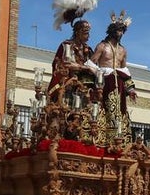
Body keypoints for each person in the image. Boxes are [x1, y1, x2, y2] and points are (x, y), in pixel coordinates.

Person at [92, 13, 138, 147]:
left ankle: (119, 139)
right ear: (112, 31)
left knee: (119, 112)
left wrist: (131, 90)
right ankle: (103, 138)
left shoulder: (123, 50)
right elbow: (91, 63)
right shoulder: (102, 46)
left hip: (120, 85)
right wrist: (100, 74)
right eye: (118, 30)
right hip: (105, 82)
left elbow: (124, 71)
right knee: (105, 110)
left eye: (122, 31)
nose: (121, 33)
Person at [47, 18, 99, 105]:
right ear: (78, 32)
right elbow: (61, 65)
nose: (88, 36)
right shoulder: (66, 46)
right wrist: (84, 67)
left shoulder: (88, 50)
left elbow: (94, 66)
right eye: (86, 33)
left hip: (84, 85)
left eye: (88, 33)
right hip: (68, 83)